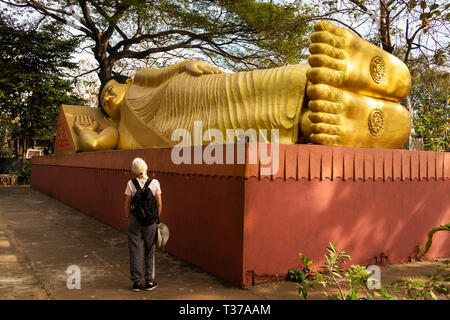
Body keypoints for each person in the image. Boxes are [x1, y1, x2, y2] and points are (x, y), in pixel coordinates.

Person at [73, 20, 412, 150]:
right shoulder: (120, 131)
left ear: (120, 84)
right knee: (244, 126)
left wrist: (187, 65)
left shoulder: (139, 81)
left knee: (250, 85)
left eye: (108, 91)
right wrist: (88, 133)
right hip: (185, 127)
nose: (108, 99)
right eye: (104, 102)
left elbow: (163, 71)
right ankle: (321, 121)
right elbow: (94, 145)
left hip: (191, 89)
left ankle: (327, 73)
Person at [124, 157, 163, 291]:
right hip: (150, 221)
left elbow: (127, 203)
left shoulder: (131, 183)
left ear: (134, 170)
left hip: (134, 219)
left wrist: (128, 216)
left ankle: (136, 282)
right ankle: (149, 281)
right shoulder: (155, 183)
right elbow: (159, 203)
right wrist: (156, 218)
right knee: (149, 250)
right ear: (146, 167)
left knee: (135, 250)